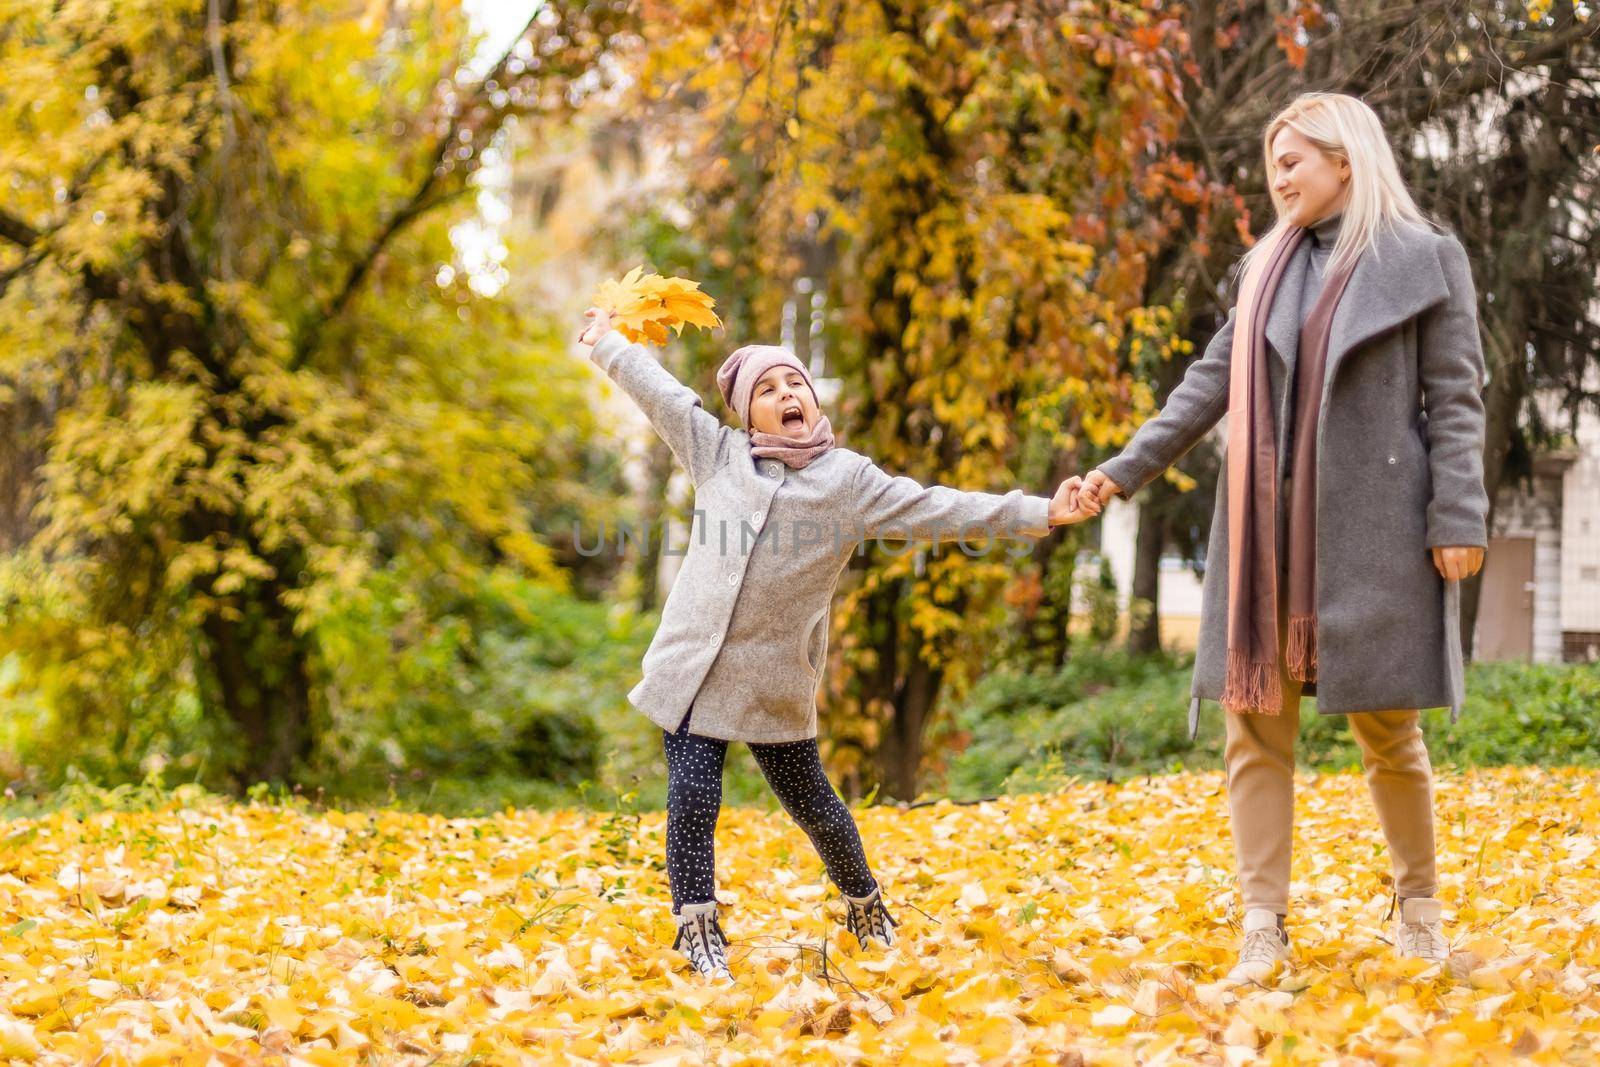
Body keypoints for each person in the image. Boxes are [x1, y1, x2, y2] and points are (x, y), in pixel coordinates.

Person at [1075, 92, 1488, 983]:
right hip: (1266, 534)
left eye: (1292, 160)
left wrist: (1459, 515)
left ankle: (1419, 913)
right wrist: (1122, 470)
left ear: (1346, 160)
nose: (1278, 177)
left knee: (1390, 728)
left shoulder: (1427, 259)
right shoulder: (1264, 266)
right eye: (1273, 163)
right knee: (1254, 726)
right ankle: (1263, 925)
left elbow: (1456, 399)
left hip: (1375, 532)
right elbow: (1207, 384)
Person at [577, 307, 1095, 982]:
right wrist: (608, 343)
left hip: (772, 680)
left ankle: (866, 904)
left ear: (813, 399)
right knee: (694, 795)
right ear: (746, 412)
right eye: (767, 389)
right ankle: (696, 927)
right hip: (692, 667)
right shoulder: (716, 452)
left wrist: (1038, 511)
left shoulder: (849, 481)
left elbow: (938, 507)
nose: (787, 395)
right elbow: (661, 391)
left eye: (796, 383)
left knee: (816, 807)